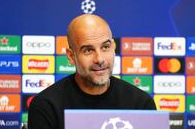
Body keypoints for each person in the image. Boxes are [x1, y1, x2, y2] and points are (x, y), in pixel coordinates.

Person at [28, 14, 156, 129]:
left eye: (105, 47)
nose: (99, 59)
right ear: (71, 56)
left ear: (113, 48)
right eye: (88, 50)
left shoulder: (141, 104)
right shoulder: (46, 106)